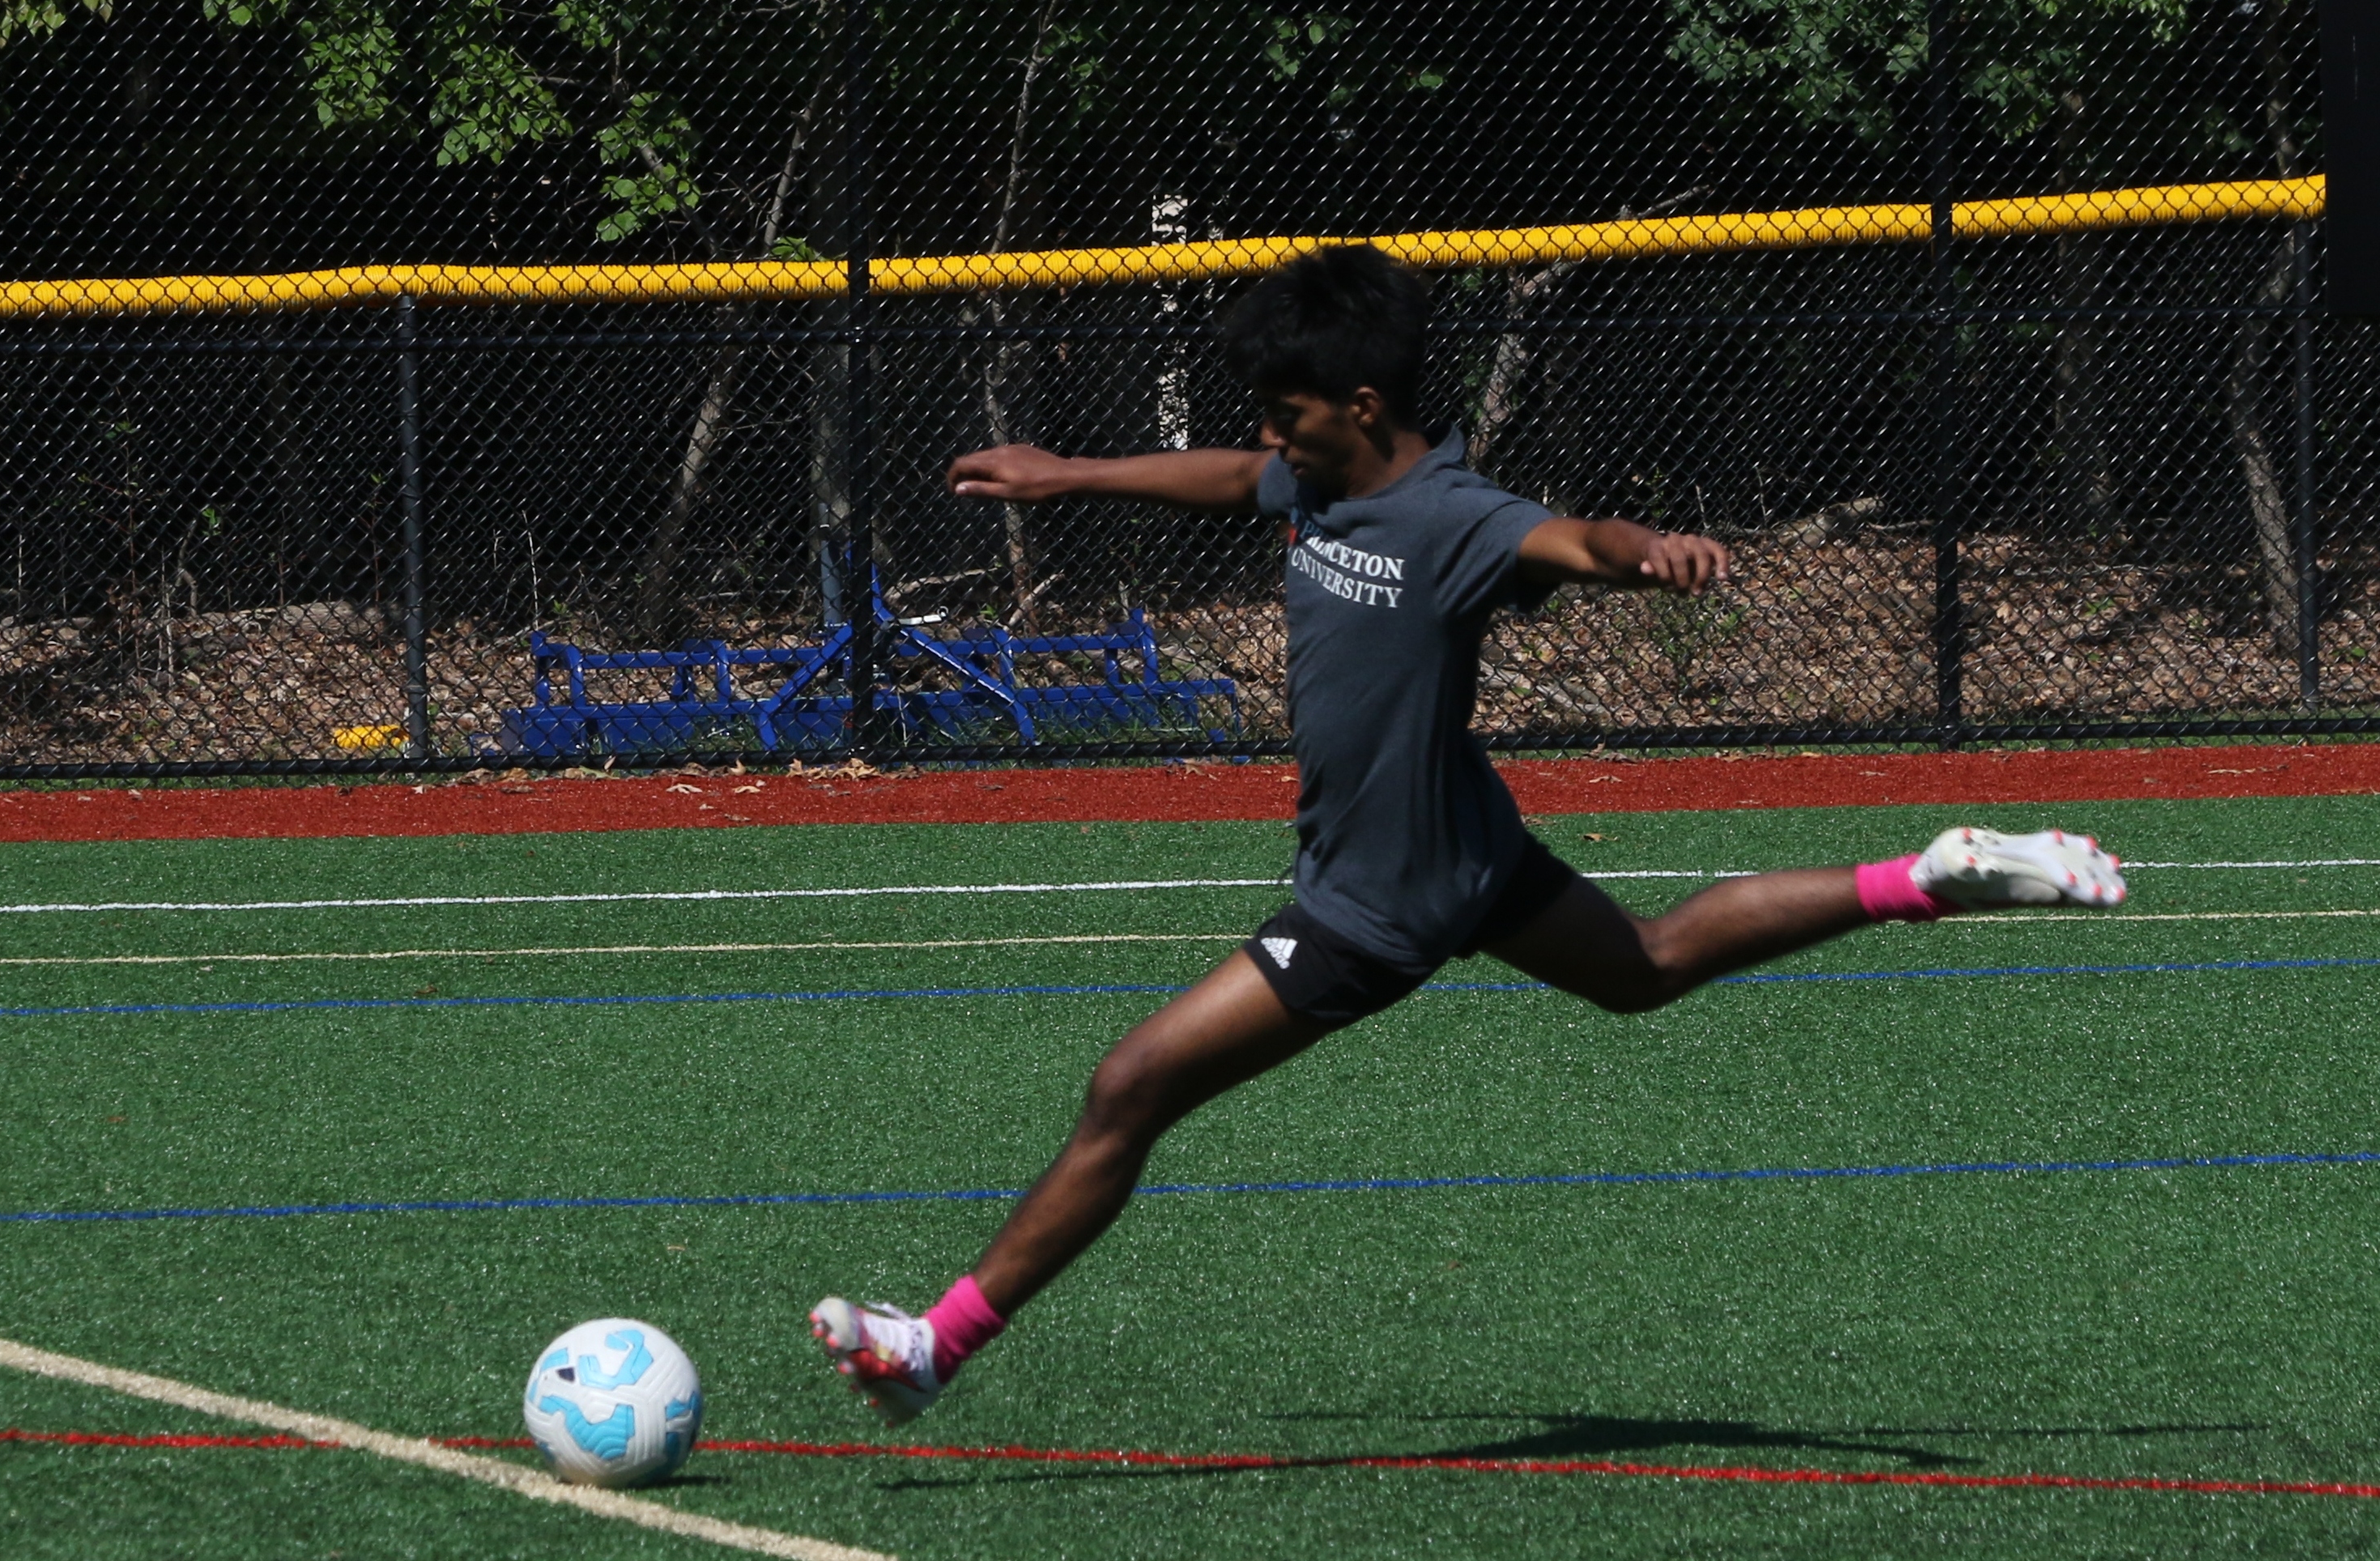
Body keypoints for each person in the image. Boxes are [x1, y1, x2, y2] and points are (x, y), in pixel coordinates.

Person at [809, 244, 2125, 1424]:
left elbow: (1572, 541)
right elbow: (1235, 478)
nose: (1268, 435)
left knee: (1130, 1087)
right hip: (1467, 845)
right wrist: (1072, 475)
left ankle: (934, 1346)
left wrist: (1646, 551)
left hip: (1375, 906)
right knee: (1650, 965)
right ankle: (1923, 877)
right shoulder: (1318, 478)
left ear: (1359, 406)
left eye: (1285, 411)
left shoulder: (1452, 517)